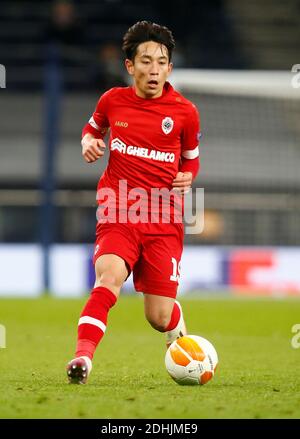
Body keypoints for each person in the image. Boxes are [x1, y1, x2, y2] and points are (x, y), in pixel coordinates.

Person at [66, 21, 200, 384]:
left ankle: (179, 338)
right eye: (145, 61)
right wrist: (87, 143)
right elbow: (92, 130)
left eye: (161, 62)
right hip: (118, 209)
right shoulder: (112, 101)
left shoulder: (185, 112)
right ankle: (82, 359)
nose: (153, 69)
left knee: (158, 316)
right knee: (108, 278)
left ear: (170, 68)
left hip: (164, 218)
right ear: (130, 66)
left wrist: (189, 175)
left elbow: (191, 158)